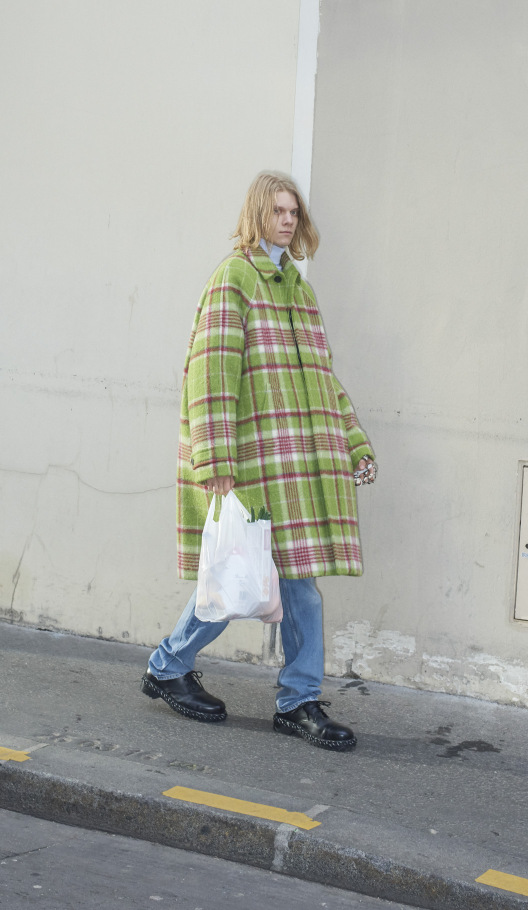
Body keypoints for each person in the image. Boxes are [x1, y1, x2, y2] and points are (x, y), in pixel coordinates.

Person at [141, 171, 376, 751]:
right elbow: (210, 372)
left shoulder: (297, 288)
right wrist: (215, 458)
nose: (288, 220)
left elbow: (323, 378)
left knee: (299, 586)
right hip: (250, 465)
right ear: (256, 214)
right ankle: (168, 665)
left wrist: (354, 443)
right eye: (278, 211)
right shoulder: (235, 279)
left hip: (296, 468)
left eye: (295, 212)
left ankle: (298, 701)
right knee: (235, 577)